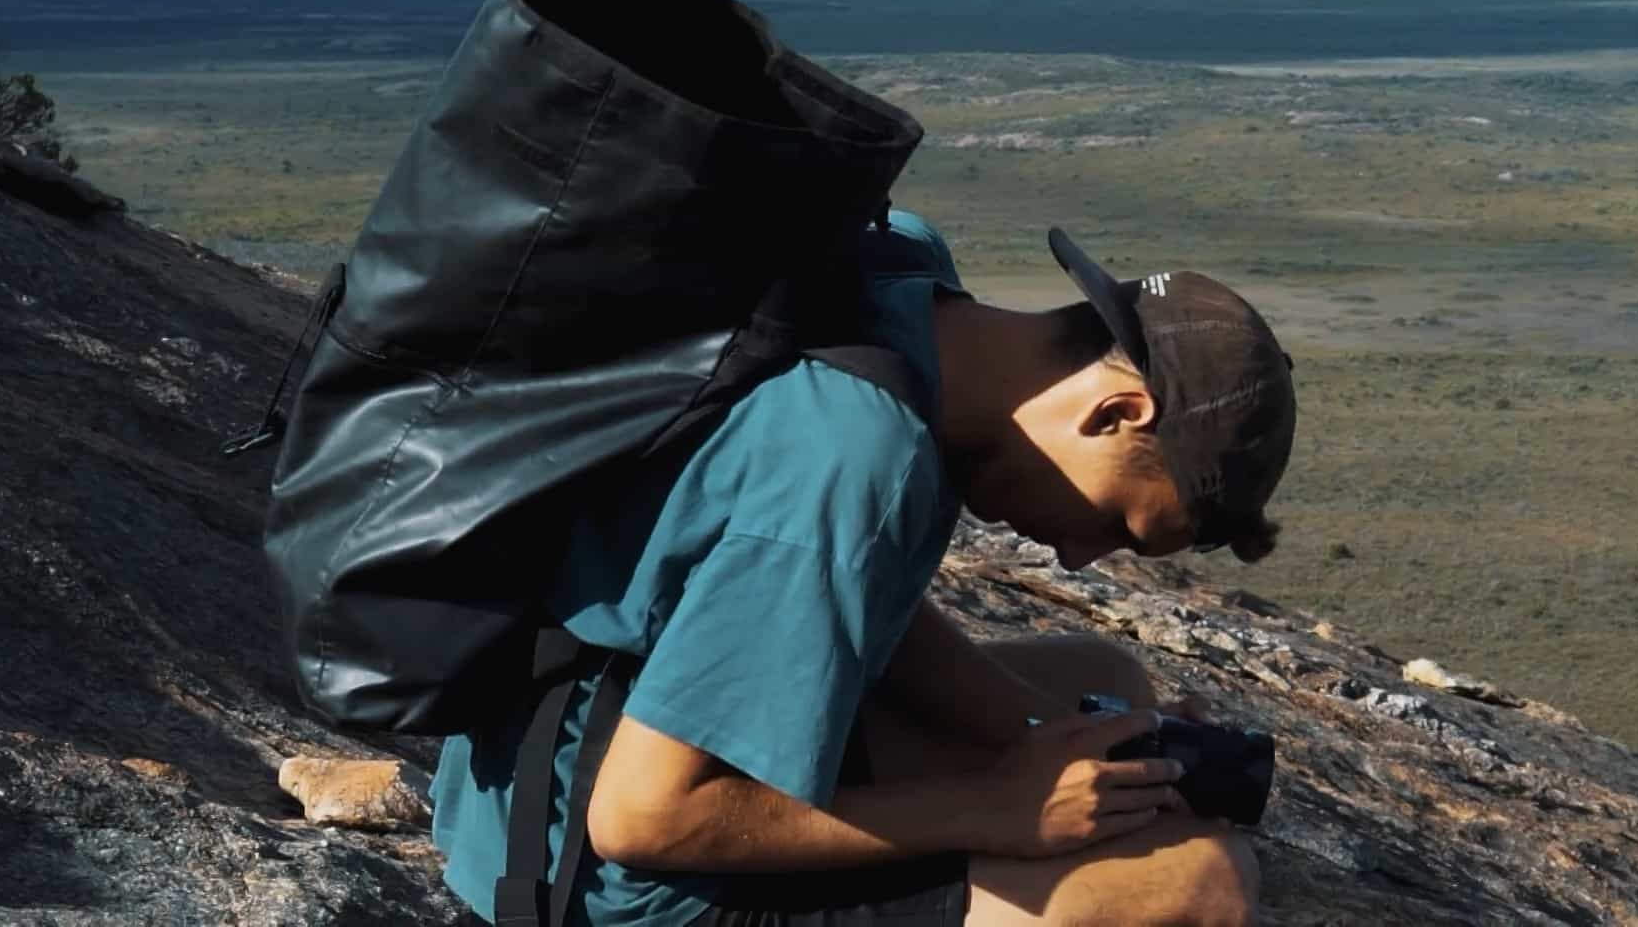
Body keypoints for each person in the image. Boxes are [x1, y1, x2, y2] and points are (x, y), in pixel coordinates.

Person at [430, 208, 1296, 927]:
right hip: (592, 874)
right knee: (1196, 886)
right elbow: (645, 818)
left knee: (1098, 678)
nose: (1076, 554)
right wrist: (995, 807)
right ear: (1116, 411)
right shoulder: (860, 461)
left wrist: (1054, 743)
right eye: (1115, 524)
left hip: (573, 731)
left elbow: (831, 591)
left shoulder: (901, 279)